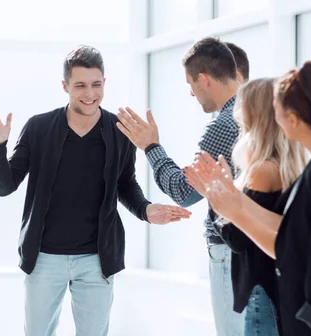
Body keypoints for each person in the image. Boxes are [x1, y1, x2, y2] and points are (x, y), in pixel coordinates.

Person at [0, 44, 191, 336]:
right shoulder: (39, 128)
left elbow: (125, 184)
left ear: (105, 83)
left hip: (96, 260)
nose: (89, 94)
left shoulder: (119, 130)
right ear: (65, 85)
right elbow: (5, 186)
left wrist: (145, 210)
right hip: (44, 258)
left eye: (96, 84)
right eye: (80, 85)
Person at [185, 61, 311, 335]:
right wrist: (231, 200)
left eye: (278, 111)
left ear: (294, 117)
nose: (275, 120)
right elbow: (292, 236)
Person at [115, 37, 244, 335]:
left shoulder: (224, 125)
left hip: (229, 250)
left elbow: (183, 191)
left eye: (190, 84)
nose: (191, 93)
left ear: (204, 79)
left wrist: (150, 146)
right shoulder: (258, 113)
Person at [210, 78, 307, 335]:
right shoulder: (293, 166)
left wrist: (216, 197)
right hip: (282, 290)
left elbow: (238, 239)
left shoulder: (262, 170)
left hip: (261, 289)